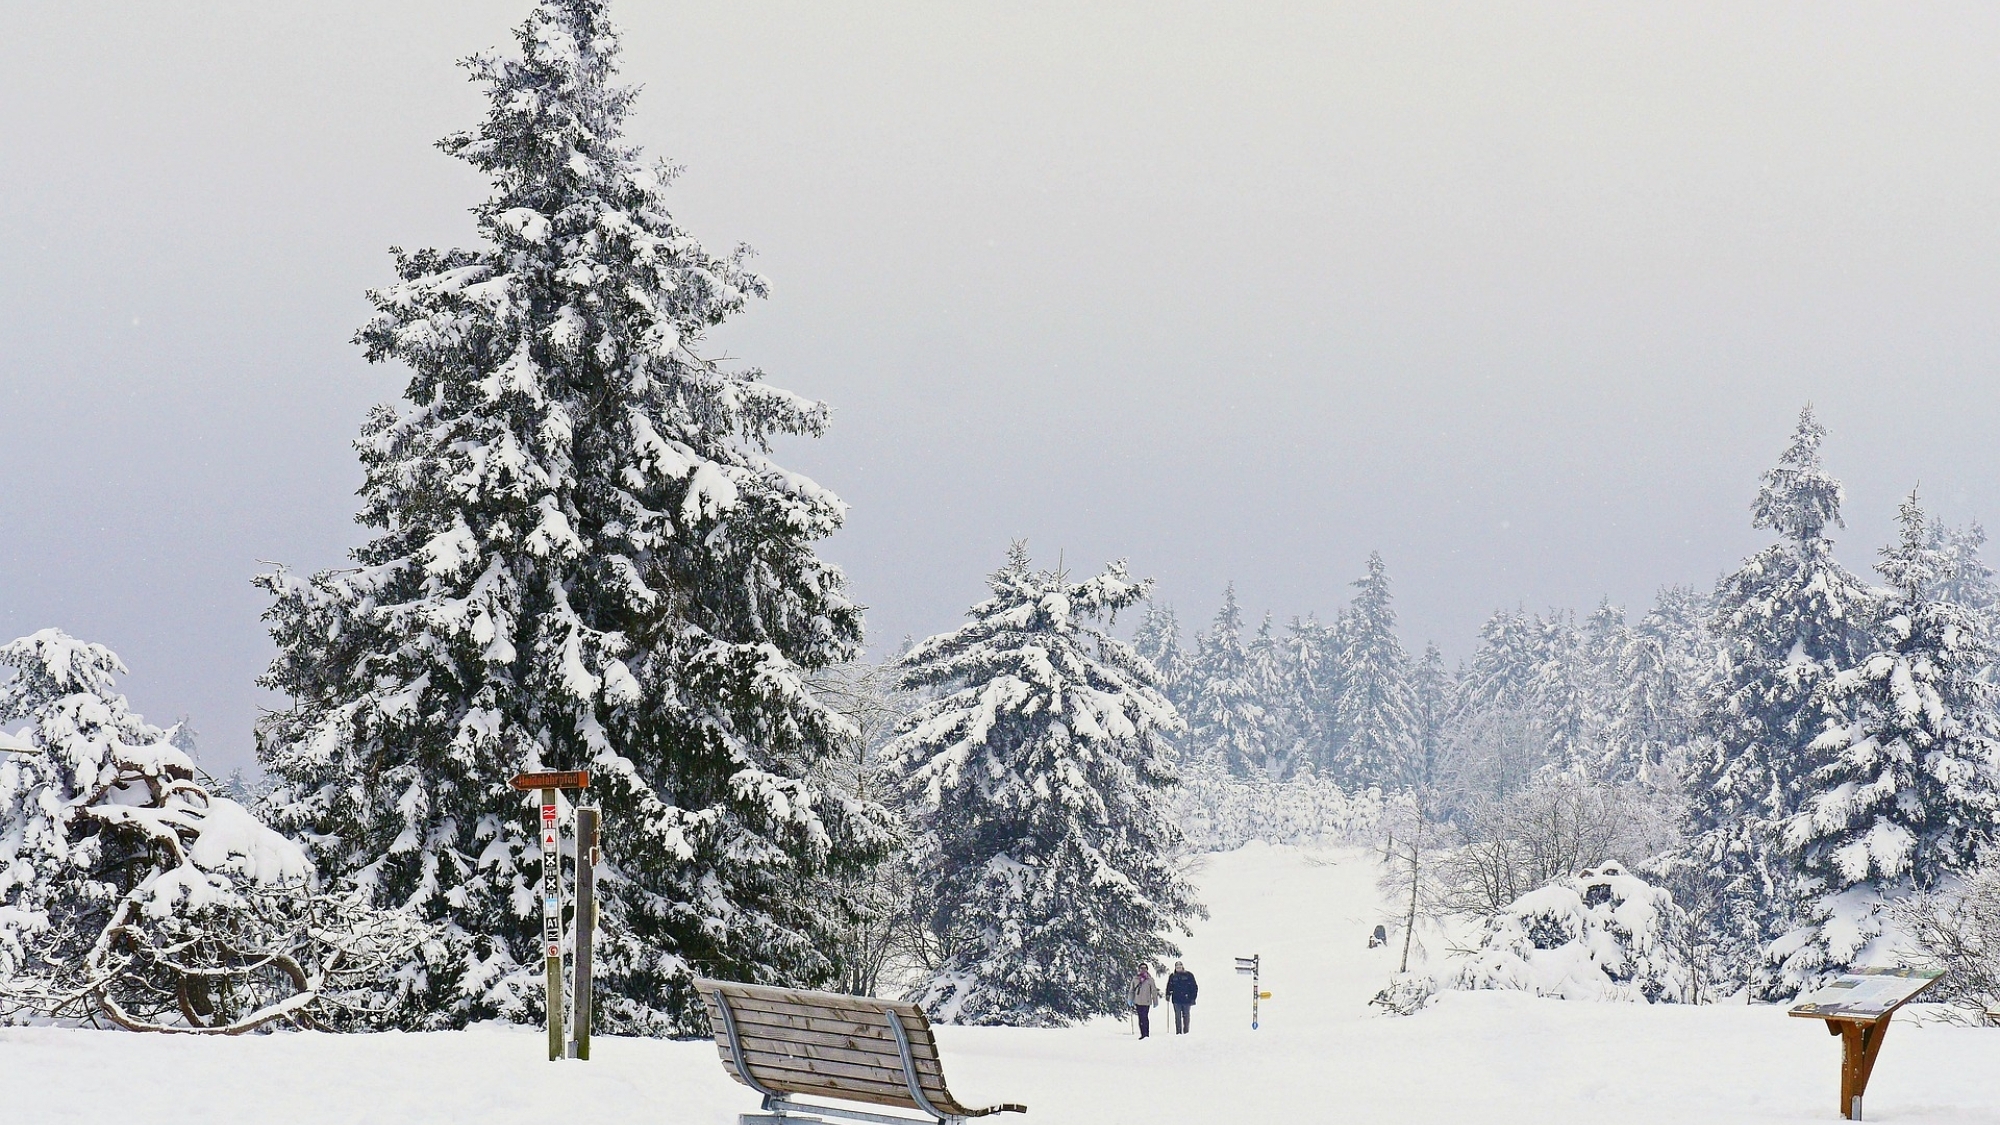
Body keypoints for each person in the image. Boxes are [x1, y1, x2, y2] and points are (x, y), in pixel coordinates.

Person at [1165, 961, 1198, 1034]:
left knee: (1186, 1016)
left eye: (1180, 967)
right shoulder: (1172, 976)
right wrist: (1168, 994)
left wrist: (1193, 998)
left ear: (1182, 967)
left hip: (1187, 999)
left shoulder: (1189, 975)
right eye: (1177, 967)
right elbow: (1169, 986)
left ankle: (1186, 1031)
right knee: (1177, 1017)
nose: (1178, 969)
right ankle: (1178, 1031)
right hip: (1176, 999)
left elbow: (1194, 987)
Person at [1130, 965, 1159, 1038]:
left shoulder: (1150, 979)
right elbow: (1132, 990)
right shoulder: (1135, 979)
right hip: (1138, 1001)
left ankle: (1146, 1034)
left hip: (1146, 1001)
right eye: (1141, 968)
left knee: (1145, 1017)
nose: (1143, 970)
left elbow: (1154, 990)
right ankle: (1142, 1034)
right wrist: (1130, 999)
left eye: (1145, 968)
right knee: (1140, 1018)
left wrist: (1155, 1001)